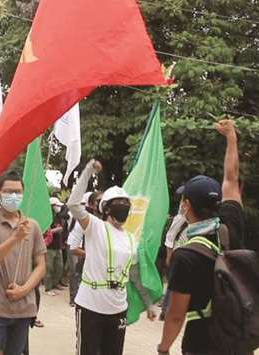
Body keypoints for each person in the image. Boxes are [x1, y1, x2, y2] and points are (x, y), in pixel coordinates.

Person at [157, 119, 245, 355]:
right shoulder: (230, 222)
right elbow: (231, 178)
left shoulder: (185, 255)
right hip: (238, 340)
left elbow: (176, 316)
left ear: (186, 206)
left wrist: (163, 348)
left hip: (203, 345)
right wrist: (231, 137)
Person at [67, 159, 136, 355]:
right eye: (117, 203)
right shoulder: (95, 226)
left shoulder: (131, 239)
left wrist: (147, 302)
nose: (122, 207)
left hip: (118, 308)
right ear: (106, 208)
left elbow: (133, 273)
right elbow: (73, 204)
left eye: (125, 204)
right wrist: (88, 171)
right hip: (91, 306)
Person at [0, 170, 47, 355]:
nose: (13, 196)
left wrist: (24, 289)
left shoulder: (33, 226)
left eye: (17, 192)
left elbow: (41, 265)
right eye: (8, 191)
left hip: (24, 310)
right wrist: (14, 238)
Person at [44, 197, 66, 296]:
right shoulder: (46, 217)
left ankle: (55, 284)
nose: (58, 207)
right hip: (49, 247)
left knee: (59, 267)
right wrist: (55, 230)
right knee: (49, 268)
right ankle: (48, 288)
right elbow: (44, 231)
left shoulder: (58, 216)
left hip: (58, 246)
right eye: (56, 206)